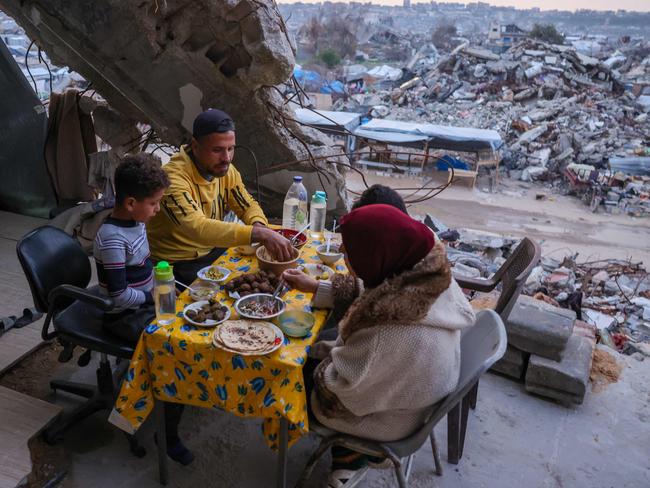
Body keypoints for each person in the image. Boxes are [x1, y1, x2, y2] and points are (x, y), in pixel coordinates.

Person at [283, 204, 475, 486]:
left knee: (288, 372)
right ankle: (348, 454)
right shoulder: (428, 278)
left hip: (390, 419)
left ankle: (353, 452)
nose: (346, 260)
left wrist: (313, 359)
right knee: (318, 347)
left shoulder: (387, 333)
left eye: (349, 254)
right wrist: (318, 288)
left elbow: (338, 393)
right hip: (416, 394)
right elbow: (379, 294)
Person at [93, 153, 194, 465]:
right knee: (176, 350)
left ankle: (180, 397)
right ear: (131, 202)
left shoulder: (135, 222)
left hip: (145, 301)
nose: (157, 209)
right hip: (122, 315)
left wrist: (165, 282)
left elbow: (145, 265)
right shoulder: (111, 238)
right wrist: (155, 297)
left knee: (194, 314)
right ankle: (167, 434)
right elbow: (120, 296)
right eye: (154, 204)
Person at [146, 108, 294, 285]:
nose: (227, 158)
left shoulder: (225, 170)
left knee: (265, 277)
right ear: (195, 146)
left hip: (211, 250)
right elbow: (197, 228)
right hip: (176, 263)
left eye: (230, 149)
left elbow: (246, 204)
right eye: (217, 150)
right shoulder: (173, 179)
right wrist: (259, 234)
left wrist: (259, 225)